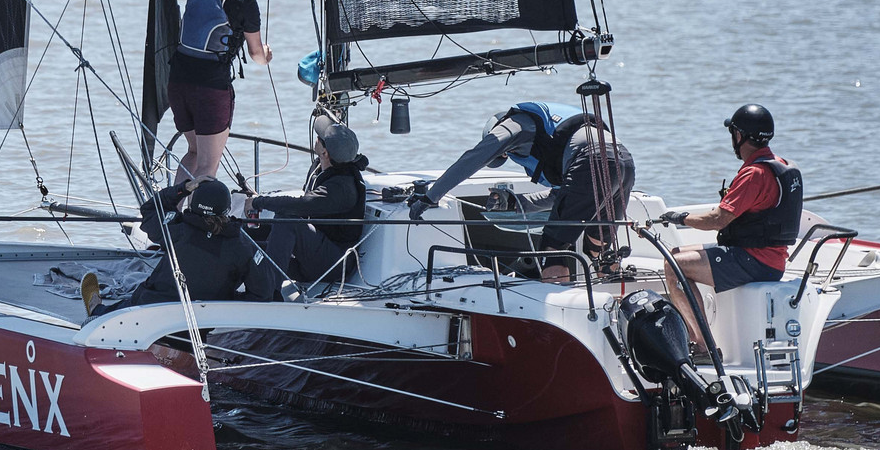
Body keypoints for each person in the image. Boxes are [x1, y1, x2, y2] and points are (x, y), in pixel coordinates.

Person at [411, 99, 636, 283]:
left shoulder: (514, 123)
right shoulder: (558, 135)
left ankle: (563, 311)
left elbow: (475, 157)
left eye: (506, 153)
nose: (509, 155)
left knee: (552, 250)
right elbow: (563, 196)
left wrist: (430, 197)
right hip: (623, 161)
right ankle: (614, 296)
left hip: (592, 161)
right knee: (597, 246)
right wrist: (517, 203)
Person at [657, 104, 803, 319]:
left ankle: (699, 338)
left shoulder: (754, 174)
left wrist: (681, 218)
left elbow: (718, 220)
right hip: (770, 258)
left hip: (756, 261)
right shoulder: (780, 164)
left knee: (674, 266)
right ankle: (696, 330)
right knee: (675, 254)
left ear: (739, 136)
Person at [90, 177, 281, 315]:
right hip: (205, 319)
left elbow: (150, 209)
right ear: (227, 209)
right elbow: (262, 294)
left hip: (151, 309)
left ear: (194, 204)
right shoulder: (243, 245)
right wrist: (227, 300)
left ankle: (97, 311)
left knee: (113, 311)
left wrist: (184, 188)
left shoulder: (176, 228)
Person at [168, 0, 274, 182]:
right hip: (210, 88)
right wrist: (266, 55)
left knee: (194, 152)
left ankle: (174, 204)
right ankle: (198, 208)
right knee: (207, 166)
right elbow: (256, 54)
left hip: (178, 81)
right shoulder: (245, 1)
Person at [244, 112, 369, 287]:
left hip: (334, 264)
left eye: (319, 138)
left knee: (287, 220)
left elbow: (300, 205)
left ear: (325, 152)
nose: (316, 138)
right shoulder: (319, 167)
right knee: (244, 237)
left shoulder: (342, 188)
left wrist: (258, 202)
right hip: (314, 250)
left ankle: (270, 291)